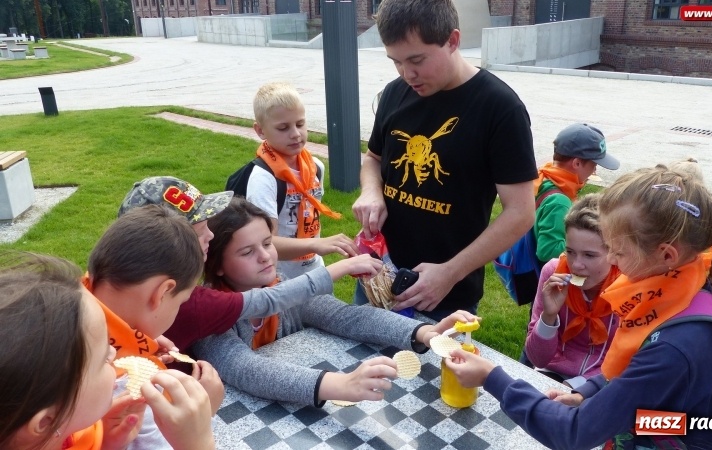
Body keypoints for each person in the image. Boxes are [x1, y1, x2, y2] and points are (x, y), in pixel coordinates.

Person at [444, 167, 712, 449]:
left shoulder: (673, 343)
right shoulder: (686, 297)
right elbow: (687, 419)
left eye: (619, 252)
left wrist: (492, 377)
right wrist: (591, 393)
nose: (614, 264)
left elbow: (575, 433)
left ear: (666, 255)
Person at [192, 197, 479, 405]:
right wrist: (341, 384)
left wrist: (422, 332)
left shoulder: (279, 286)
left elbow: (344, 316)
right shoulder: (208, 316)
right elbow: (247, 370)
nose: (265, 256)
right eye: (246, 252)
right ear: (217, 264)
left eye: (268, 243)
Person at [351, 0, 538, 320]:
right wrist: (371, 191)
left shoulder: (500, 109)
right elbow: (372, 158)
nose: (407, 74)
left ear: (453, 40)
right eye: (395, 62)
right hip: (378, 271)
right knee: (362, 368)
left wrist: (450, 272)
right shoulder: (395, 93)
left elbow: (521, 213)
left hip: (444, 293)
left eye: (417, 60)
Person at [0, 251, 213, 450]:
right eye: (103, 359)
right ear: (47, 421)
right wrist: (199, 441)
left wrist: (106, 442)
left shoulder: (61, 429)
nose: (114, 353)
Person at [117, 176, 355, 354]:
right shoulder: (197, 304)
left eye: (267, 243)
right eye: (199, 232)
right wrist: (339, 268)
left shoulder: (115, 290)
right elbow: (268, 301)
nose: (210, 236)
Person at [85, 205, 220, 450]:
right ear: (164, 292)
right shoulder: (127, 387)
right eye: (181, 301)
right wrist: (203, 415)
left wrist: (140, 343)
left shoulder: (68, 308)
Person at [245, 81, 358, 280]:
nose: (296, 134)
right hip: (279, 278)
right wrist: (315, 244)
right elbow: (265, 243)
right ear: (260, 131)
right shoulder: (263, 179)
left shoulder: (315, 167)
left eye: (300, 124)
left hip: (314, 269)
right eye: (283, 128)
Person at [525, 194, 620, 388]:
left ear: (614, 253)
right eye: (570, 252)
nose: (576, 265)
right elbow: (537, 359)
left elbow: (625, 360)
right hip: (548, 377)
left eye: (589, 255)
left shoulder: (629, 286)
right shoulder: (553, 273)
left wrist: (576, 386)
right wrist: (548, 317)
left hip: (603, 384)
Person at [534, 123, 619, 268]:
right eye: (594, 165)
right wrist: (590, 251)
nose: (594, 171)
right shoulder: (559, 201)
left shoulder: (546, 178)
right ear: (577, 163)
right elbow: (548, 251)